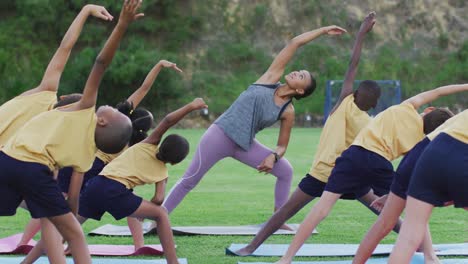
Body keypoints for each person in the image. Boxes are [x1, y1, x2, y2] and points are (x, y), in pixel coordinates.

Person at [1, 1, 143, 263]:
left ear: (101, 122)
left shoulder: (74, 109)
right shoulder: (85, 154)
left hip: (10, 161)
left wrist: (118, 24)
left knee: (52, 218)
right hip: (27, 167)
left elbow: (97, 62)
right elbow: (74, 198)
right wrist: (69, 221)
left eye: (114, 111)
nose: (110, 105)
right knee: (68, 229)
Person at [234, 12, 382, 256]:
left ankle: (251, 247)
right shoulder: (358, 111)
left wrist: (361, 34)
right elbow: (352, 65)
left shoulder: (354, 109)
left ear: (360, 97)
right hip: (337, 174)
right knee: (288, 211)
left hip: (335, 173)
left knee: (287, 212)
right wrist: (361, 35)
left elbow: (352, 66)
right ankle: (251, 246)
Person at [163, 24, 347, 215]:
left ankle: (278, 220)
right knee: (190, 179)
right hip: (219, 136)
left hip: (244, 146)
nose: (296, 72)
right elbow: (295, 43)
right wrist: (324, 30)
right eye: (299, 70)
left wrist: (273, 156)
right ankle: (159, 218)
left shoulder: (288, 111)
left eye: (301, 76)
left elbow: (282, 145)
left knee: (285, 171)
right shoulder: (270, 78)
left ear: (300, 90)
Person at [275, 83, 468, 264]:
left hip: (353, 155)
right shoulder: (421, 143)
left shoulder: (406, 107)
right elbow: (407, 175)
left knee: (321, 209)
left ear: (428, 111)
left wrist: (465, 86)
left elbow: (438, 92)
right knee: (416, 206)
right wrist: (392, 194)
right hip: (378, 162)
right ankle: (430, 255)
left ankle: (287, 258)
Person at [19, 59, 182, 252]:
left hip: (89, 164)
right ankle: (32, 236)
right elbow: (144, 91)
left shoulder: (122, 123)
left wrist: (159, 65)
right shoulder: (139, 142)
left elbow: (143, 88)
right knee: (65, 206)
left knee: (66, 207)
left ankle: (39, 240)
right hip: (92, 166)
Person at [76, 98, 208, 264]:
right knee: (161, 214)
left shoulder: (148, 143)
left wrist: (191, 106)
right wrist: (144, 214)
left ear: (162, 143)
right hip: (114, 190)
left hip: (96, 184)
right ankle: (173, 262)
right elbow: (159, 199)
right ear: (175, 162)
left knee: (71, 225)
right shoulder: (162, 174)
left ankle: (49, 248)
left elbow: (168, 120)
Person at [0, 4, 113, 148]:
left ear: (63, 97)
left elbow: (65, 46)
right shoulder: (49, 138)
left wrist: (86, 10)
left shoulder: (45, 93)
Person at [353, 108, 456, 264]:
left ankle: (429, 256)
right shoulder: (442, 137)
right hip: (407, 167)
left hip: (406, 167)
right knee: (405, 220)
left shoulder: (427, 137)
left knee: (387, 224)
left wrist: (393, 195)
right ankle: (430, 257)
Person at [388, 109, 467, 264]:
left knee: (409, 236)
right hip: (455, 154)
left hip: (431, 152)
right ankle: (430, 257)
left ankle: (430, 258)